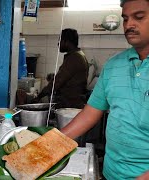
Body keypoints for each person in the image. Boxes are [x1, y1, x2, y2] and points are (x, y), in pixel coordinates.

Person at [61, 0, 149, 179]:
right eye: (125, 19)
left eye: (139, 17)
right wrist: (52, 143)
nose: (129, 24)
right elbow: (91, 113)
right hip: (111, 173)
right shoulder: (114, 65)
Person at [33, 28, 89, 109]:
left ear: (67, 42)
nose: (58, 44)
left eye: (60, 40)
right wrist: (54, 77)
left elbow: (56, 83)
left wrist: (39, 97)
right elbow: (67, 78)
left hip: (70, 105)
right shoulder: (79, 55)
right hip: (73, 103)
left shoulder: (74, 57)